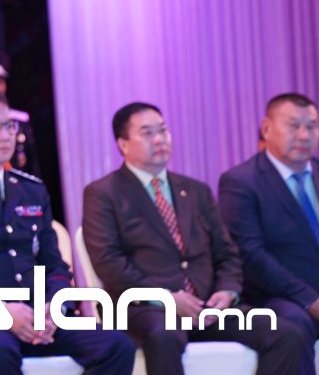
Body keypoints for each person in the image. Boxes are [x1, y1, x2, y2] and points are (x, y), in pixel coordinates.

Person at [0, 88, 135, 375]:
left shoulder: (31, 189)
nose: (6, 135)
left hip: (38, 315)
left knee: (117, 346)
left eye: (9, 126)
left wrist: (54, 307)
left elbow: (54, 264)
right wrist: (2, 309)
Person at [81, 102, 309, 375]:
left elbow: (227, 253)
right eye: (147, 133)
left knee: (286, 333)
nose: (159, 139)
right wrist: (166, 298)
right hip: (143, 307)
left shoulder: (195, 190)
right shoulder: (103, 193)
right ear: (124, 144)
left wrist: (227, 292)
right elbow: (109, 262)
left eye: (163, 131)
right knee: (164, 336)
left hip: (207, 306)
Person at [219, 92, 319, 375]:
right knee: (292, 326)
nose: (304, 135)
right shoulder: (241, 182)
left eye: (311, 126)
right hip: (278, 296)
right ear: (266, 128)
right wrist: (310, 300)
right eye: (293, 126)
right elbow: (252, 255)